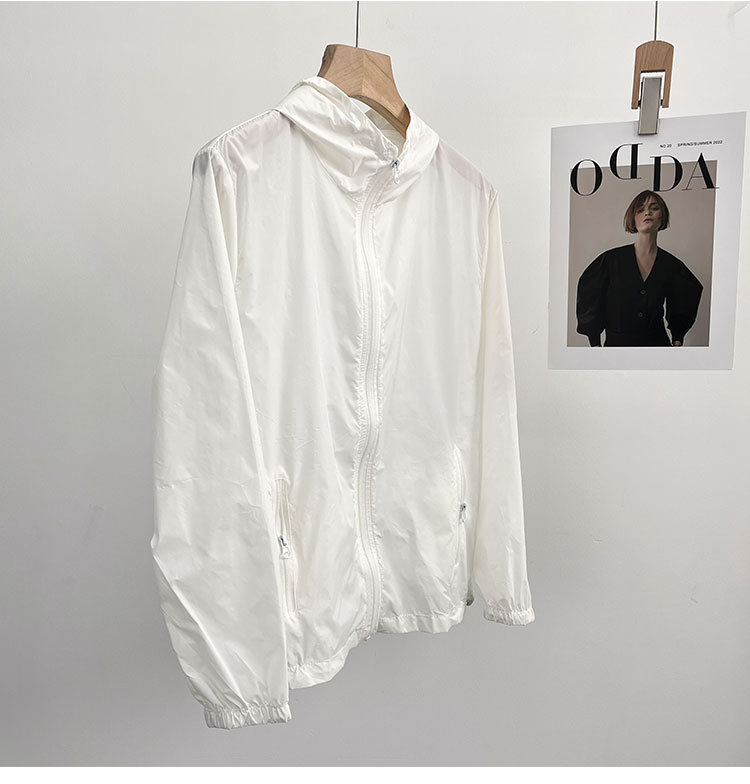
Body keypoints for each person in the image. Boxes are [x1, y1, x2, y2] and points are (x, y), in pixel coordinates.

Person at [575, 190, 704, 347]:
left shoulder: (672, 265)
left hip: (658, 349)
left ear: (662, 216)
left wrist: (677, 338)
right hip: (617, 349)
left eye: (654, 208)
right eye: (640, 209)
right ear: (633, 218)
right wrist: (595, 343)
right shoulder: (610, 261)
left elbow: (686, 296)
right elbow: (589, 295)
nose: (647, 212)